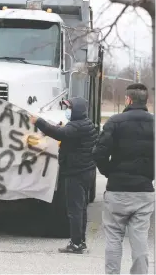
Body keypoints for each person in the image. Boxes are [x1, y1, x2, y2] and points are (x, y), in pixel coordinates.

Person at [93, 83, 154, 274]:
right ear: (146, 101)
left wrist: (109, 172)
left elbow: (99, 153)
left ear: (128, 99)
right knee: (140, 240)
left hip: (117, 190)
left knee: (113, 239)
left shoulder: (114, 122)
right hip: (144, 191)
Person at [30, 97, 97, 254]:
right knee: (81, 208)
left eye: (70, 108)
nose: (67, 111)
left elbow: (57, 133)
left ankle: (75, 243)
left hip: (75, 172)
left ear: (77, 110)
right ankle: (81, 241)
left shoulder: (76, 127)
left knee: (74, 209)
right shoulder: (87, 124)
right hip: (86, 171)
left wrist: (38, 121)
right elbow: (65, 132)